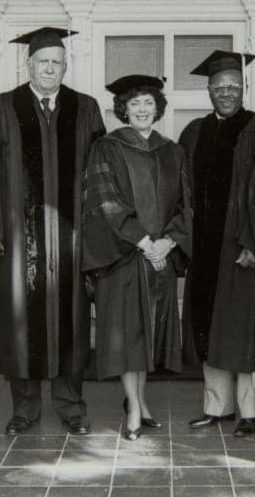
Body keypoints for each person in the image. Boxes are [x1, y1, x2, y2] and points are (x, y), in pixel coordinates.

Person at [0, 26, 105, 437]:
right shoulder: (1, 107)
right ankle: (24, 409)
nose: (49, 68)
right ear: (28, 64)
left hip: (72, 238)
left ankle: (71, 406)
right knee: (20, 320)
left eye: (56, 63)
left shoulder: (86, 108)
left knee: (73, 322)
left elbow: (101, 176)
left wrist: (98, 234)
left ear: (66, 66)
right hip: (16, 237)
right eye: (42, 62)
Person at [178, 51, 255, 438]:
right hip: (205, 249)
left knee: (247, 328)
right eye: (219, 87)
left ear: (244, 89)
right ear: (208, 90)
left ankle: (254, 411)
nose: (226, 93)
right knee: (209, 327)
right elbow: (181, 192)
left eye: (233, 87)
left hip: (242, 248)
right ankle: (217, 406)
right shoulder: (194, 132)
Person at [81, 75, 191, 440]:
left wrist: (169, 244)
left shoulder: (172, 151)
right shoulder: (107, 148)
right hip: (125, 258)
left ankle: (141, 405)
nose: (143, 109)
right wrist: (145, 242)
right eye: (135, 104)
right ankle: (131, 414)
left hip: (159, 257)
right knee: (130, 338)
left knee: (147, 338)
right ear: (123, 110)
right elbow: (105, 201)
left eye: (148, 102)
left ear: (157, 107)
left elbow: (184, 206)